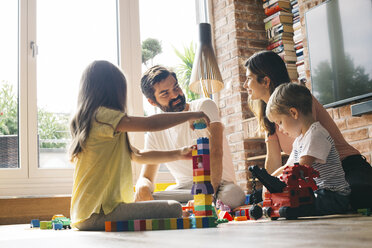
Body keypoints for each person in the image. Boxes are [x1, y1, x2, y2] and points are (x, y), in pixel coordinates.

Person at [69, 60, 211, 231]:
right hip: (98, 213)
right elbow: (151, 124)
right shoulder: (102, 117)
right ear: (114, 91)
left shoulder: (101, 123)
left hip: (86, 213)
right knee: (174, 208)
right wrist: (192, 115)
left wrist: (179, 153)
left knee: (171, 207)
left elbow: (138, 155)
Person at [243, 50, 372, 209]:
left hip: (347, 166)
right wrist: (268, 188)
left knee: (358, 195)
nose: (245, 85)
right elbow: (275, 161)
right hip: (317, 178)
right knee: (260, 198)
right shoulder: (272, 117)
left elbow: (303, 163)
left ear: (265, 81)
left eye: (248, 79)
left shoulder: (298, 98)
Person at [135, 65, 246, 209]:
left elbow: (217, 151)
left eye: (176, 88)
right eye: (165, 94)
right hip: (185, 190)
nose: (175, 95)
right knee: (151, 197)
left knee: (235, 195)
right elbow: (146, 177)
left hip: (218, 186)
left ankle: (191, 207)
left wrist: (207, 195)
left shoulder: (204, 106)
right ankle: (189, 207)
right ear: (152, 101)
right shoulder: (155, 130)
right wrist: (142, 187)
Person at [266, 83, 350, 215]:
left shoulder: (316, 134)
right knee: (304, 198)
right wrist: (269, 179)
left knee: (305, 200)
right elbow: (288, 167)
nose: (280, 129)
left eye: (280, 122)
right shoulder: (300, 139)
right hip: (317, 192)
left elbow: (300, 169)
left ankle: (295, 210)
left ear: (293, 113)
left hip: (334, 195)